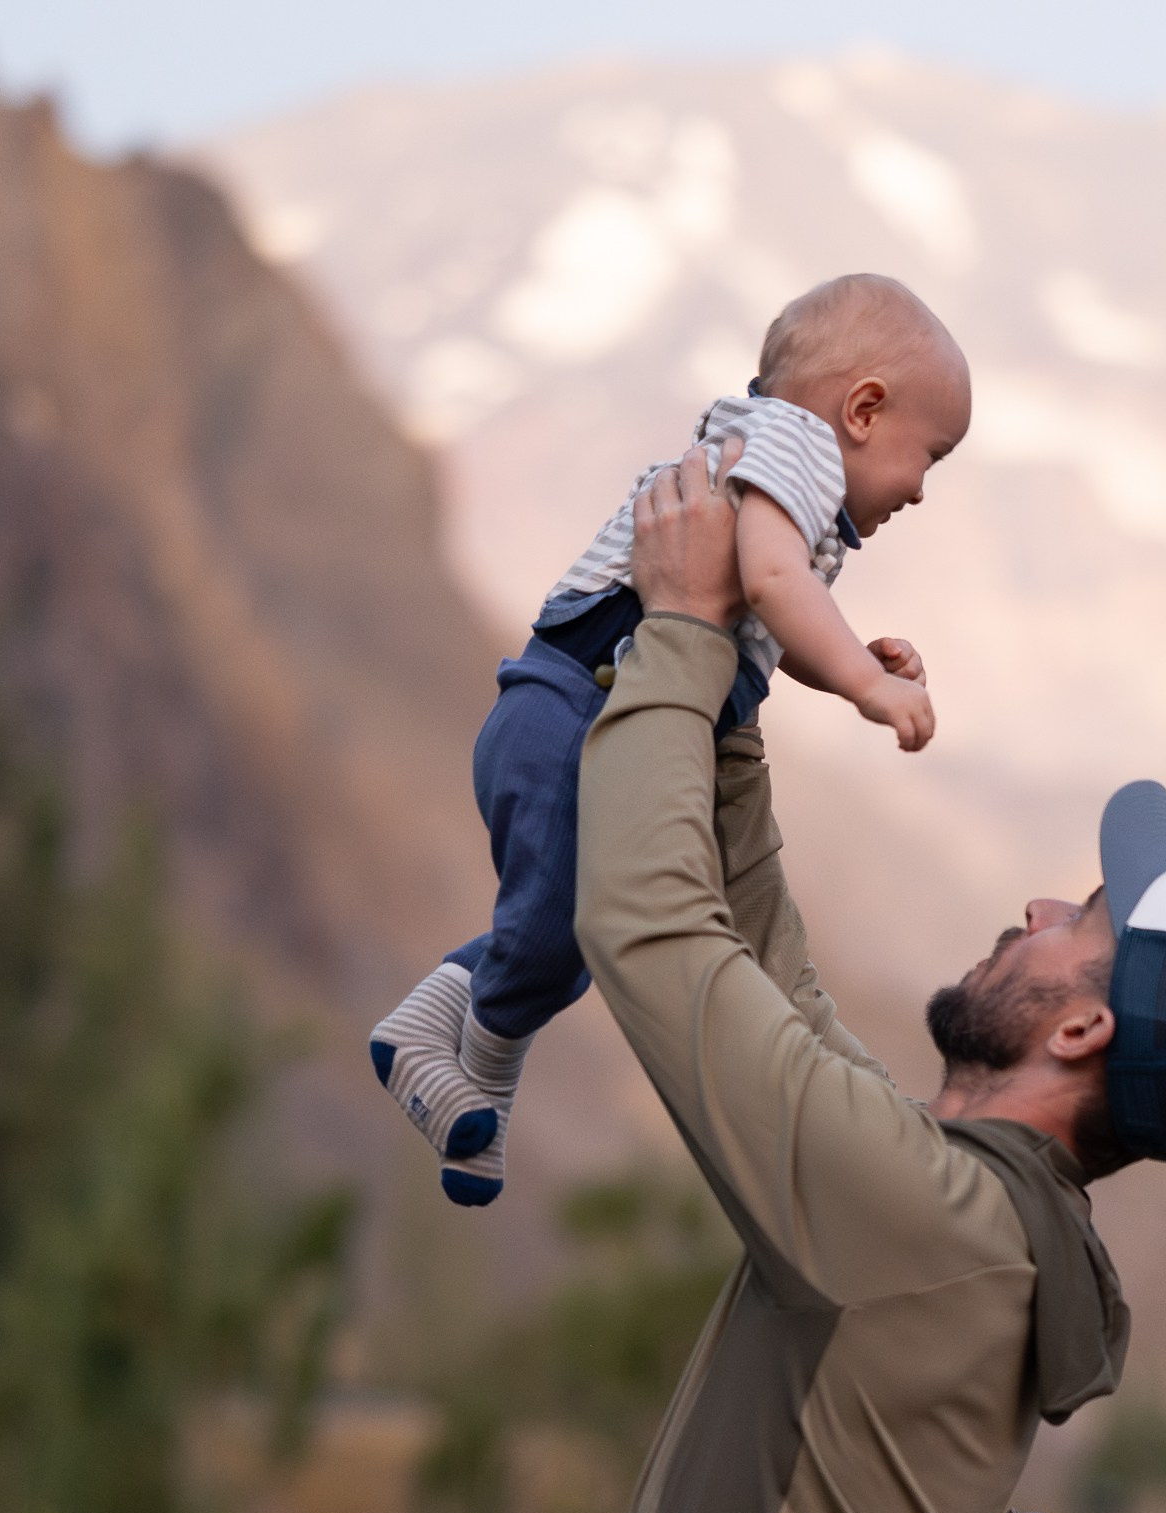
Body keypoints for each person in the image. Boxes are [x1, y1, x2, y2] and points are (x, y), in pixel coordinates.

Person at [551, 448, 1166, 1513]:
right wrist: (733, 707)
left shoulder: (931, 1221)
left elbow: (649, 926)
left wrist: (683, 629)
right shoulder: (977, 1211)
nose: (1036, 907)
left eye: (1079, 919)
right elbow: (774, 985)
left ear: (1081, 1030)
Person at [368, 274, 966, 1207]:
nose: (922, 491)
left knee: (570, 928)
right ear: (862, 410)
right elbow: (770, 583)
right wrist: (865, 681)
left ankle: (459, 1075)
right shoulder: (798, 448)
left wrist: (849, 655)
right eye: (928, 456)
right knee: (565, 930)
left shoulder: (782, 475)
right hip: (571, 710)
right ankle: (453, 1059)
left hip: (573, 711)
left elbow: (763, 625)